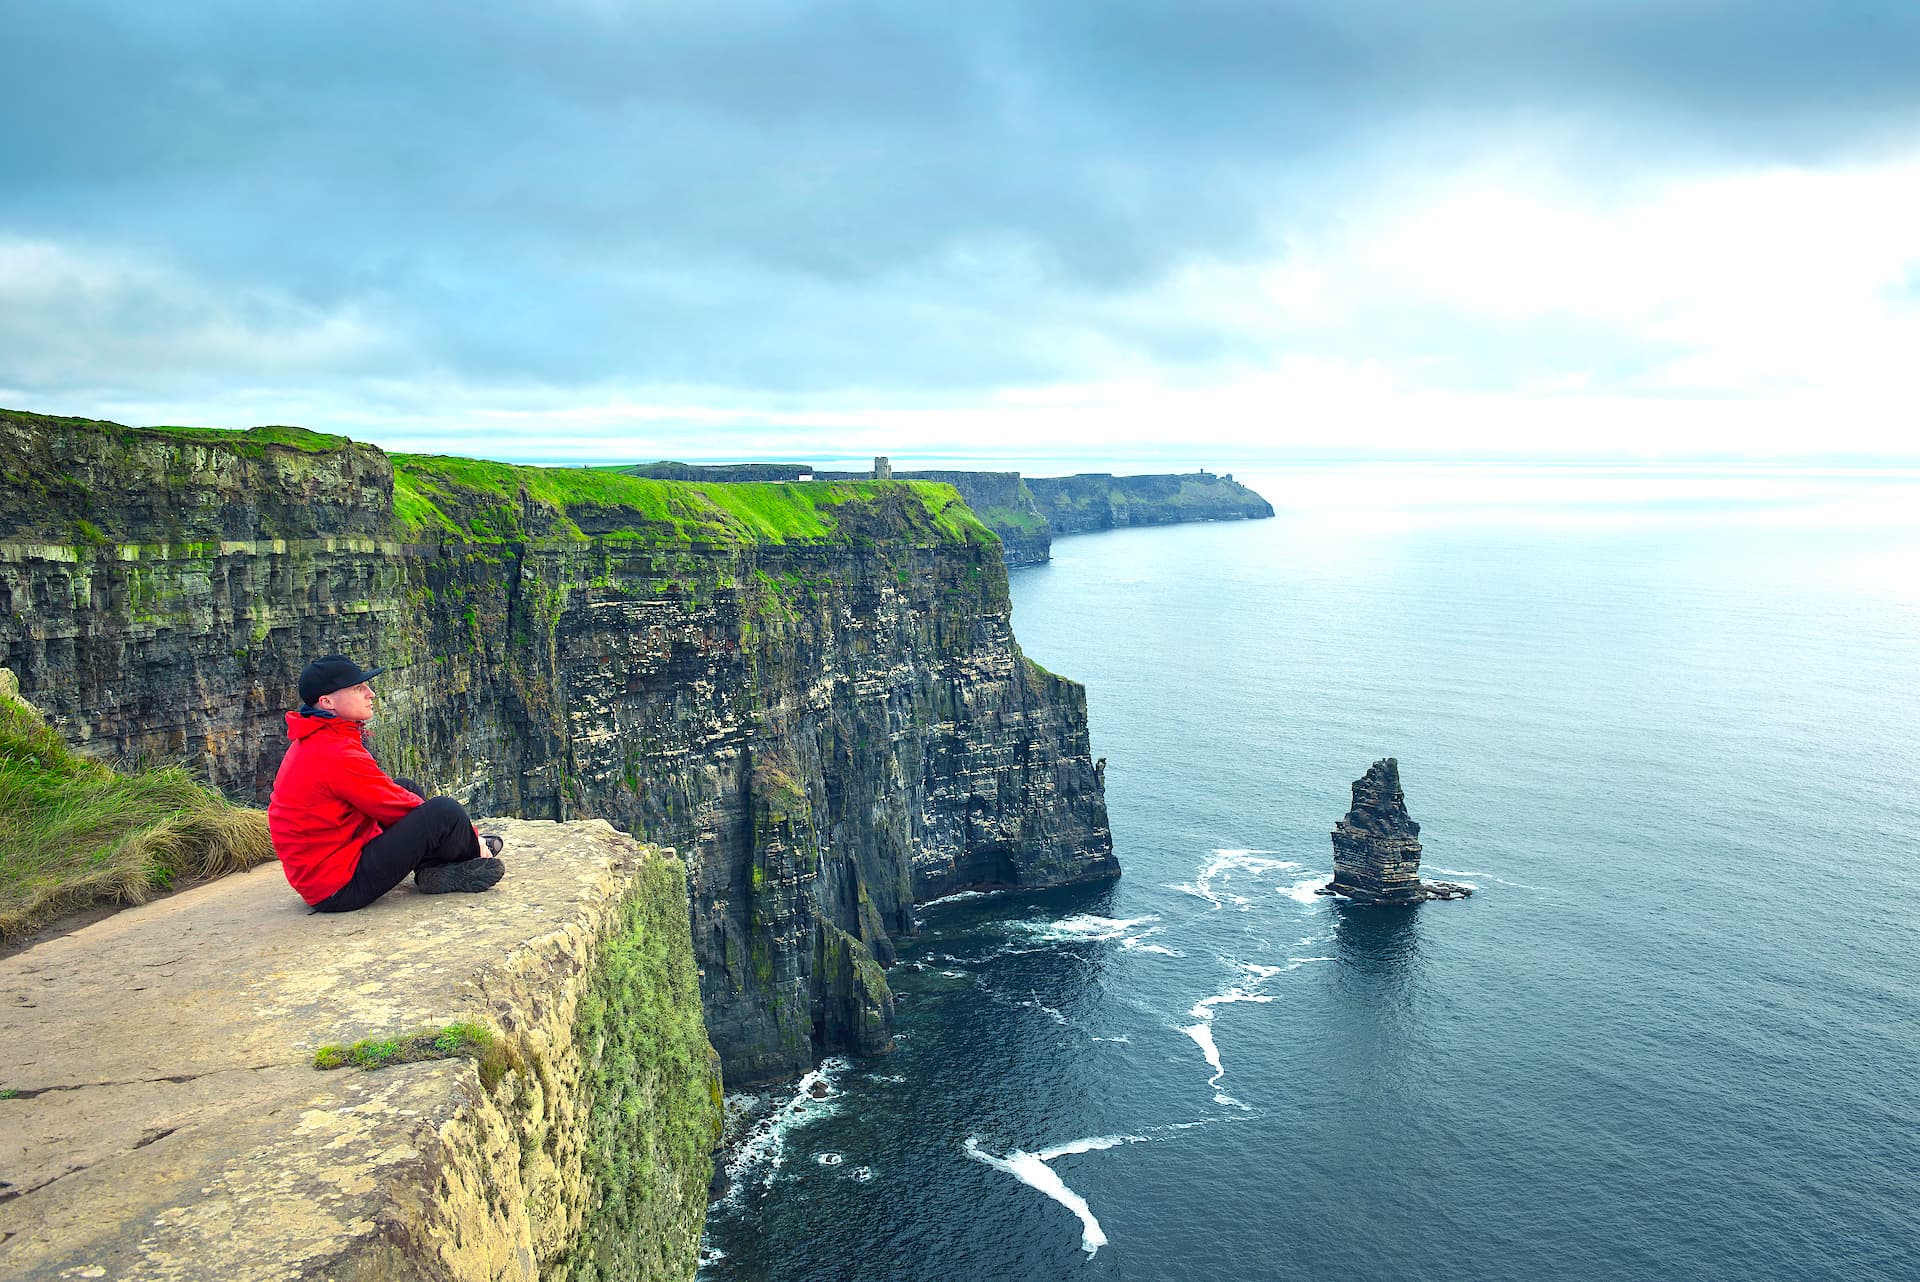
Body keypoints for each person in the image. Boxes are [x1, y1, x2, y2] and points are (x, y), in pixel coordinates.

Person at [268, 654, 505, 912]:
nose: (370, 693)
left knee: (406, 787)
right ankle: (472, 855)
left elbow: (388, 796)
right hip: (338, 887)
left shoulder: (318, 738)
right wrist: (474, 838)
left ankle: (434, 869)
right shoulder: (333, 752)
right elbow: (395, 807)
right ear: (327, 702)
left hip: (330, 866)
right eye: (359, 688)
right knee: (445, 812)